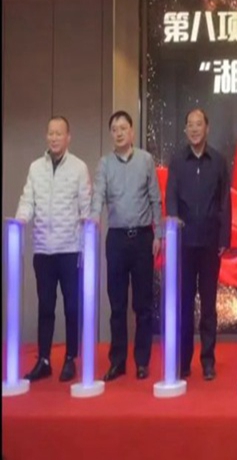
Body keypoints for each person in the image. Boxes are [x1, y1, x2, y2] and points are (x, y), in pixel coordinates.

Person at [15, 116, 91, 383]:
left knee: (72, 306)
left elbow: (85, 209)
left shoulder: (79, 167)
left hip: (70, 250)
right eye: (51, 133)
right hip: (43, 250)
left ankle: (71, 358)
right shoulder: (36, 167)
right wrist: (19, 220)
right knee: (45, 306)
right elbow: (27, 200)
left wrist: (85, 247)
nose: (54, 137)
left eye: (59, 133)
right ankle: (44, 360)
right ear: (46, 136)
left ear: (68, 137)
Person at [91, 111, 162, 381]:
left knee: (143, 305)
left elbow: (155, 198)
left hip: (143, 238)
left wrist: (159, 234)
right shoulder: (104, 164)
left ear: (132, 132)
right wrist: (93, 219)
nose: (119, 133)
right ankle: (117, 362)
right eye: (114, 129)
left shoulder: (145, 160)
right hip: (117, 239)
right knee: (117, 304)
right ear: (111, 134)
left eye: (123, 128)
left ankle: (142, 361)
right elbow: (98, 195)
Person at [166, 109, 231, 381]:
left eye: (198, 124)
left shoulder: (218, 161)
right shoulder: (177, 161)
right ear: (185, 130)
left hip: (209, 243)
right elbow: (170, 197)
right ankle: (183, 361)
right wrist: (172, 224)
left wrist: (224, 238)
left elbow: (225, 201)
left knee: (208, 305)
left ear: (207, 128)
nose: (194, 129)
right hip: (183, 244)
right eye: (190, 125)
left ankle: (207, 360)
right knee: (183, 304)